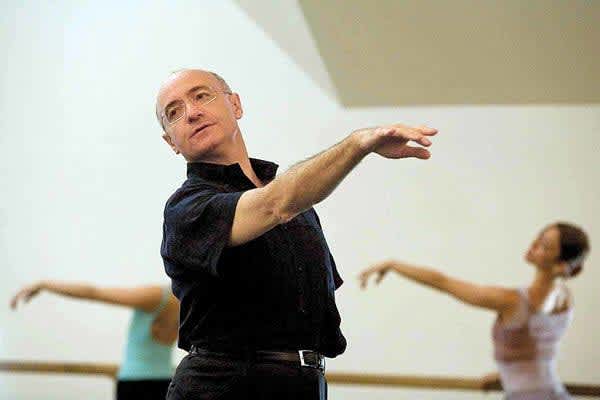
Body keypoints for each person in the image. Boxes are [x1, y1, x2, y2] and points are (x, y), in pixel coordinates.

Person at [155, 68, 438, 399]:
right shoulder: (187, 208)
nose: (192, 113)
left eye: (202, 96)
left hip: (302, 384)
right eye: (174, 113)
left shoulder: (295, 202)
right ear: (171, 141)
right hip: (225, 386)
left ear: (236, 105)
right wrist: (358, 144)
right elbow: (275, 205)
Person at [359, 222, 590, 400]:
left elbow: (442, 282)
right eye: (538, 237)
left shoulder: (512, 301)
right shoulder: (564, 296)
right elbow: (535, 350)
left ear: (559, 264)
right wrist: (506, 374)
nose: (534, 245)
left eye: (545, 246)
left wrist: (393, 264)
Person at [10, 281, 179, 400]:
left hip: (135, 385)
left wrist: (44, 285)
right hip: (168, 383)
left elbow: (93, 293)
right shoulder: (183, 300)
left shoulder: (157, 296)